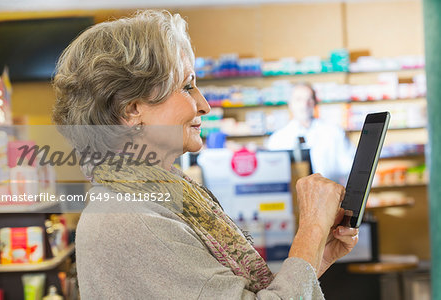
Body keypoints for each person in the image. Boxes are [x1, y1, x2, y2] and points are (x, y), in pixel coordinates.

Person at [52, 10, 359, 299]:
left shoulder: (158, 196)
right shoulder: (133, 220)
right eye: (187, 86)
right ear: (131, 108)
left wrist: (319, 252)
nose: (204, 105)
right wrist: (312, 229)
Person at [267, 83, 355, 184]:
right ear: (290, 103)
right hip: (294, 198)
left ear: (315, 103)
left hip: (329, 196)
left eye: (309, 99)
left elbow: (351, 166)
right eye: (299, 99)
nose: (304, 105)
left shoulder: (334, 132)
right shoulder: (277, 139)